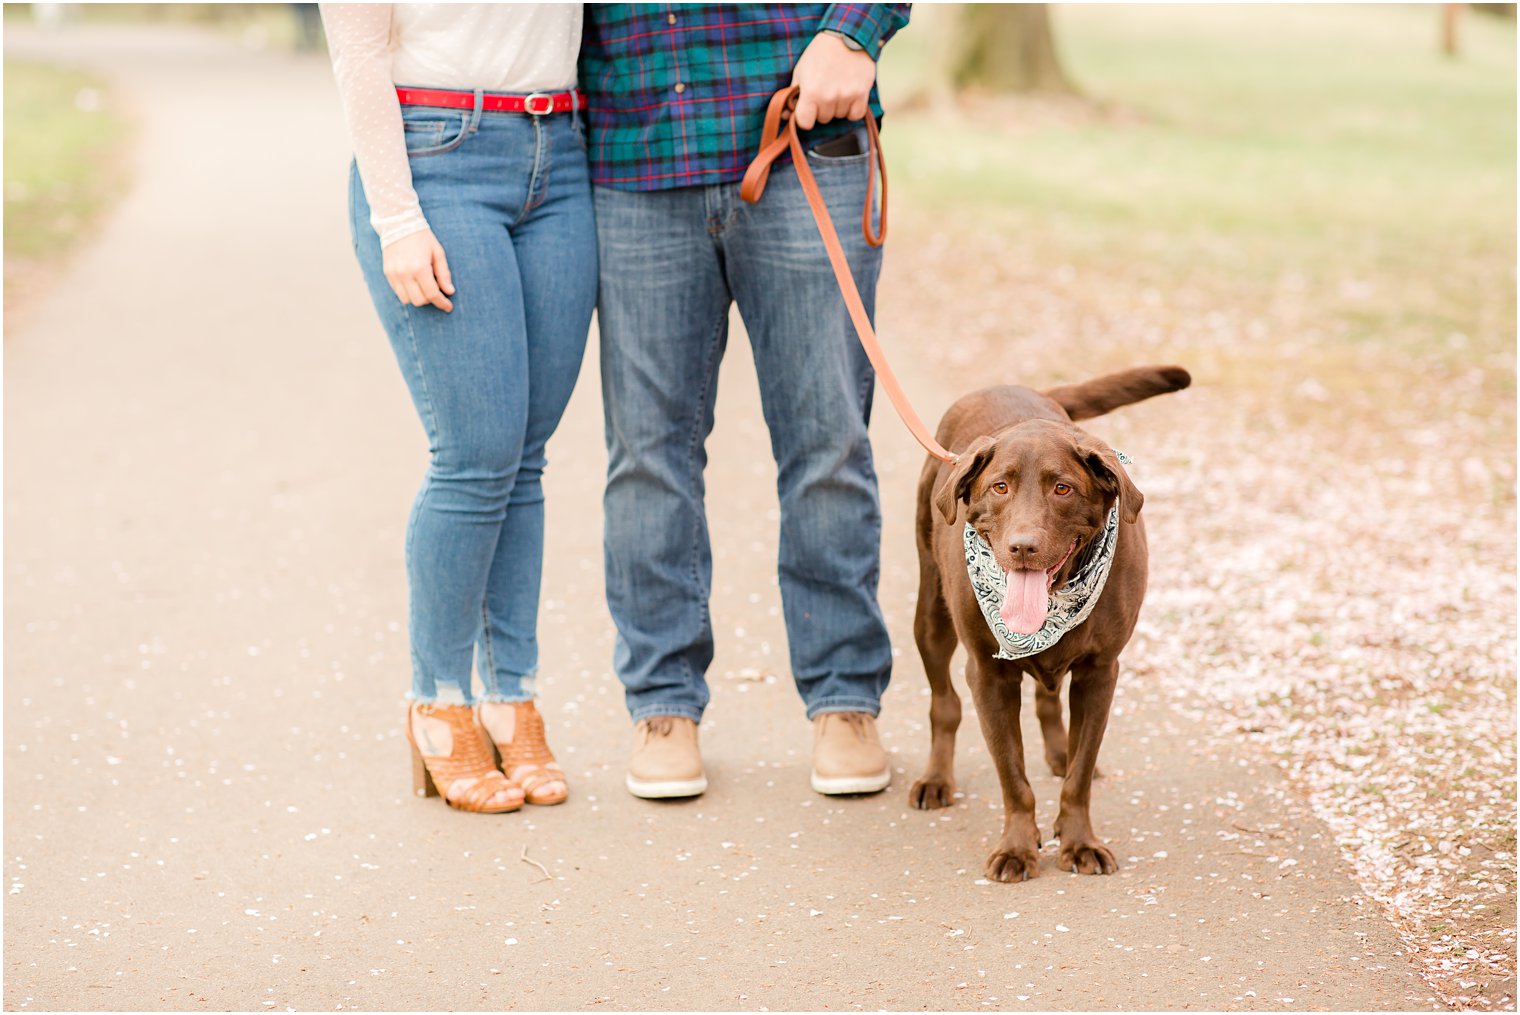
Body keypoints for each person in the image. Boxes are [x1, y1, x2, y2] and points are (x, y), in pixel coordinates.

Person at [580, 4, 911, 800]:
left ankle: (844, 700)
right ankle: (662, 705)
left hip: (804, 146)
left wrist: (851, 33)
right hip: (635, 160)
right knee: (646, 453)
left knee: (827, 440)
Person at [321, 3, 596, 813]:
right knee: (474, 458)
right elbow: (359, 55)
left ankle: (513, 697)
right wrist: (398, 218)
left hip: (562, 156)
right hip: (437, 154)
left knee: (526, 456)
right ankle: (439, 703)